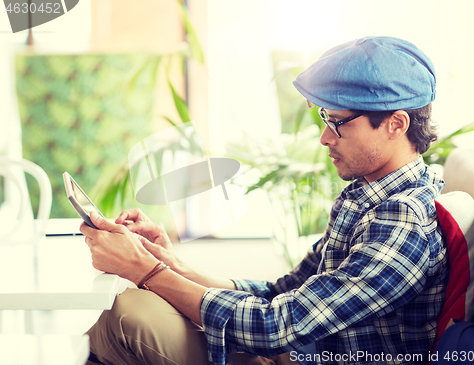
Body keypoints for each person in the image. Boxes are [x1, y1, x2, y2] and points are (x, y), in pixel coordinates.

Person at [82, 36, 447, 365]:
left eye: (337, 122)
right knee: (125, 308)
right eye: (324, 118)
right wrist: (169, 263)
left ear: (396, 124)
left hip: (291, 353)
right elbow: (281, 293)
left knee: (127, 316)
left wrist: (146, 271)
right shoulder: (366, 197)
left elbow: (275, 327)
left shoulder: (405, 221)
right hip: (292, 355)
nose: (324, 138)